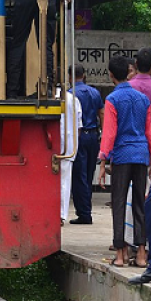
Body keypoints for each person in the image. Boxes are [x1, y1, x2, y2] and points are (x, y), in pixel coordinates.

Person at [98, 56, 151, 269]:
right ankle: (141, 254)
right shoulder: (143, 100)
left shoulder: (113, 99)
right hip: (141, 155)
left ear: (111, 75)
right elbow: (149, 132)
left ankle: (120, 255)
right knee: (139, 204)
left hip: (121, 156)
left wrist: (103, 159)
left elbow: (110, 134)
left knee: (119, 204)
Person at [69, 64, 104, 225]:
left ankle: (84, 213)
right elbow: (101, 113)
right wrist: (102, 135)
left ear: (70, 77)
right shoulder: (94, 92)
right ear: (83, 75)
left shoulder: (70, 95)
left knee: (79, 176)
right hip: (93, 136)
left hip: (79, 136)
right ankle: (86, 209)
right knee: (89, 174)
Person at [60, 89, 82, 225]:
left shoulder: (52, 97)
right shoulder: (73, 100)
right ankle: (61, 215)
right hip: (68, 145)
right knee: (64, 182)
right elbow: (79, 126)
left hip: (51, 144)